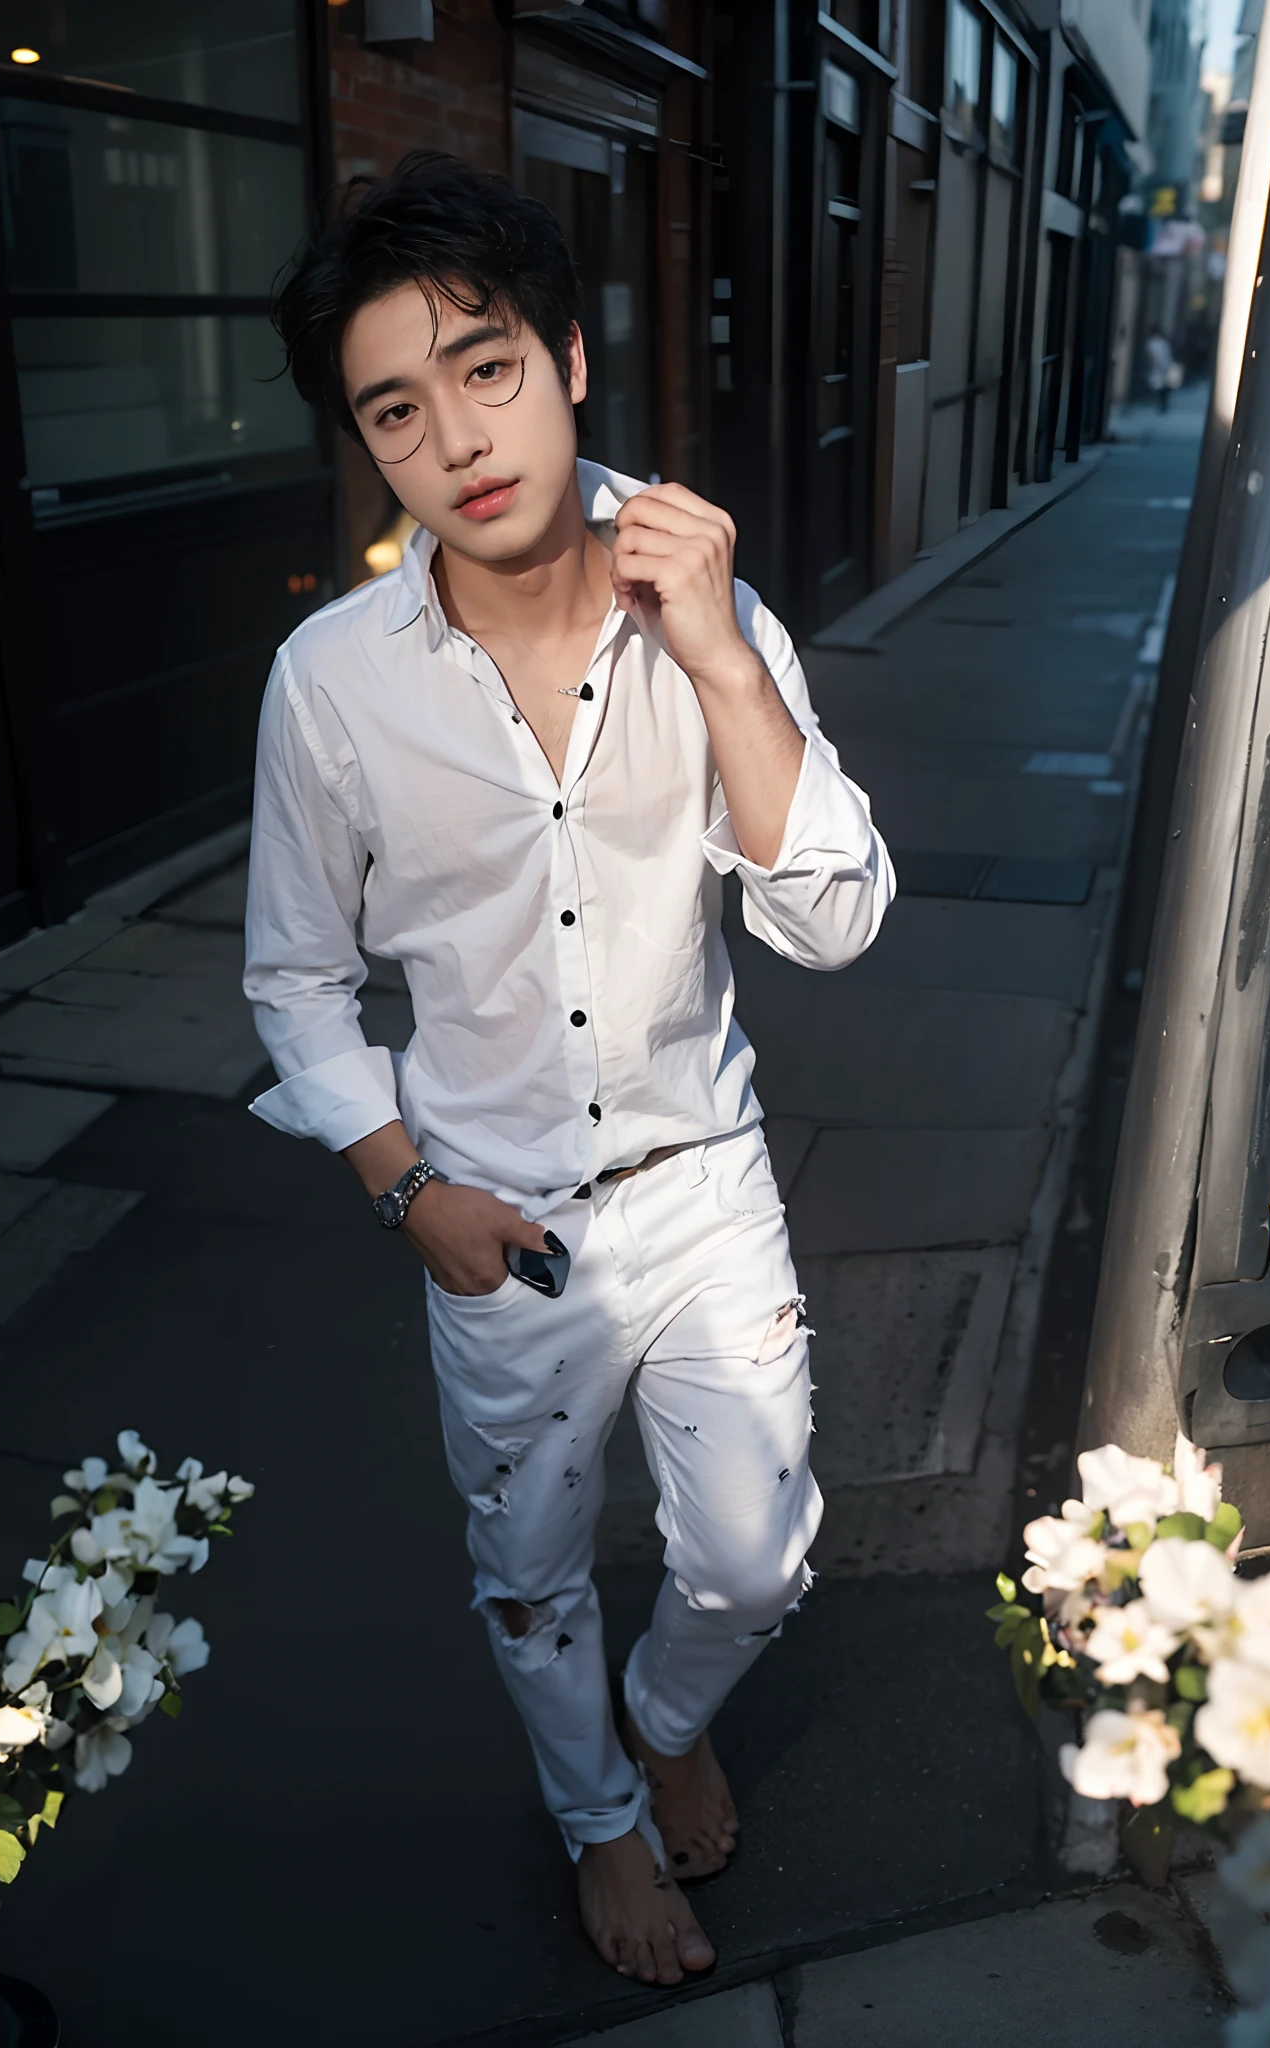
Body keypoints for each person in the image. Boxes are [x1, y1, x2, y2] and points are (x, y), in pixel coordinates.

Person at [244, 153, 893, 1988]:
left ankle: (663, 1712)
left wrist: (724, 657)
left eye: (487, 365)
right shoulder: (333, 681)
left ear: (573, 361)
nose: (457, 434)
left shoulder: (700, 600)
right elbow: (294, 975)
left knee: (756, 1560)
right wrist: (405, 1186)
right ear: (367, 444)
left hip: (701, 1183)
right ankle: (600, 1821)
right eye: (398, 403)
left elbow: (834, 922)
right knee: (525, 1571)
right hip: (496, 1222)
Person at [1145, 324, 1176, 414]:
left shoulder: (1153, 343)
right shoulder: (1160, 342)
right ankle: (1161, 406)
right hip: (1160, 368)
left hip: (1160, 368)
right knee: (1161, 389)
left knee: (1161, 389)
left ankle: (1161, 406)